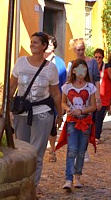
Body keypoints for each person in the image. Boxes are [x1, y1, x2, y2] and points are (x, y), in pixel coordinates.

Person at [9, 32, 62, 187]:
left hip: (42, 113)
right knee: (22, 152)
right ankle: (21, 185)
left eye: (36, 43)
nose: (32, 45)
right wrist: (5, 107)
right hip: (21, 112)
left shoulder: (51, 68)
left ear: (44, 46)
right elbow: (12, 86)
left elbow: (56, 93)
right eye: (31, 42)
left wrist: (59, 115)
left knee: (37, 153)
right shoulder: (21, 63)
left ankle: (32, 188)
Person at [58, 58, 97, 192]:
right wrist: (68, 110)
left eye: (84, 69)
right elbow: (63, 102)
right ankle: (68, 178)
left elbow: (93, 106)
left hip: (85, 122)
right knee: (71, 150)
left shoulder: (90, 87)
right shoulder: (67, 87)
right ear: (74, 71)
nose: (81, 72)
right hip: (72, 122)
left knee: (81, 151)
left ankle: (77, 175)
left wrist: (82, 111)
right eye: (79, 69)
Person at [46, 35, 66, 163]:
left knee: (52, 126)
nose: (48, 46)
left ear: (54, 47)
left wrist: (62, 103)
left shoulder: (59, 62)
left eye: (50, 44)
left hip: (53, 98)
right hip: (39, 98)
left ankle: (52, 149)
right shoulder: (37, 60)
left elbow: (63, 83)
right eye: (46, 44)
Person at [94, 48, 111, 140]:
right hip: (94, 96)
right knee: (92, 117)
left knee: (99, 118)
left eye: (99, 57)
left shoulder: (107, 68)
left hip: (104, 96)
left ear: (103, 58)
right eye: (96, 57)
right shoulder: (93, 67)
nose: (97, 59)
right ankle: (92, 135)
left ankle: (97, 136)